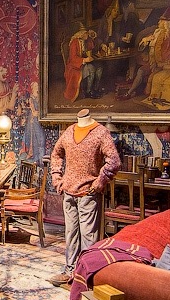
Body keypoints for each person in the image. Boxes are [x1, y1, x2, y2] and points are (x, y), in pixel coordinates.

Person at [48, 108, 120, 286]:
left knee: (89, 237)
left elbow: (114, 161)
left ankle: (87, 276)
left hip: (88, 194)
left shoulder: (100, 133)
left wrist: (100, 181)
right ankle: (70, 270)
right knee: (71, 234)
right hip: (69, 193)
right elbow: (56, 154)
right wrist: (57, 178)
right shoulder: (69, 131)